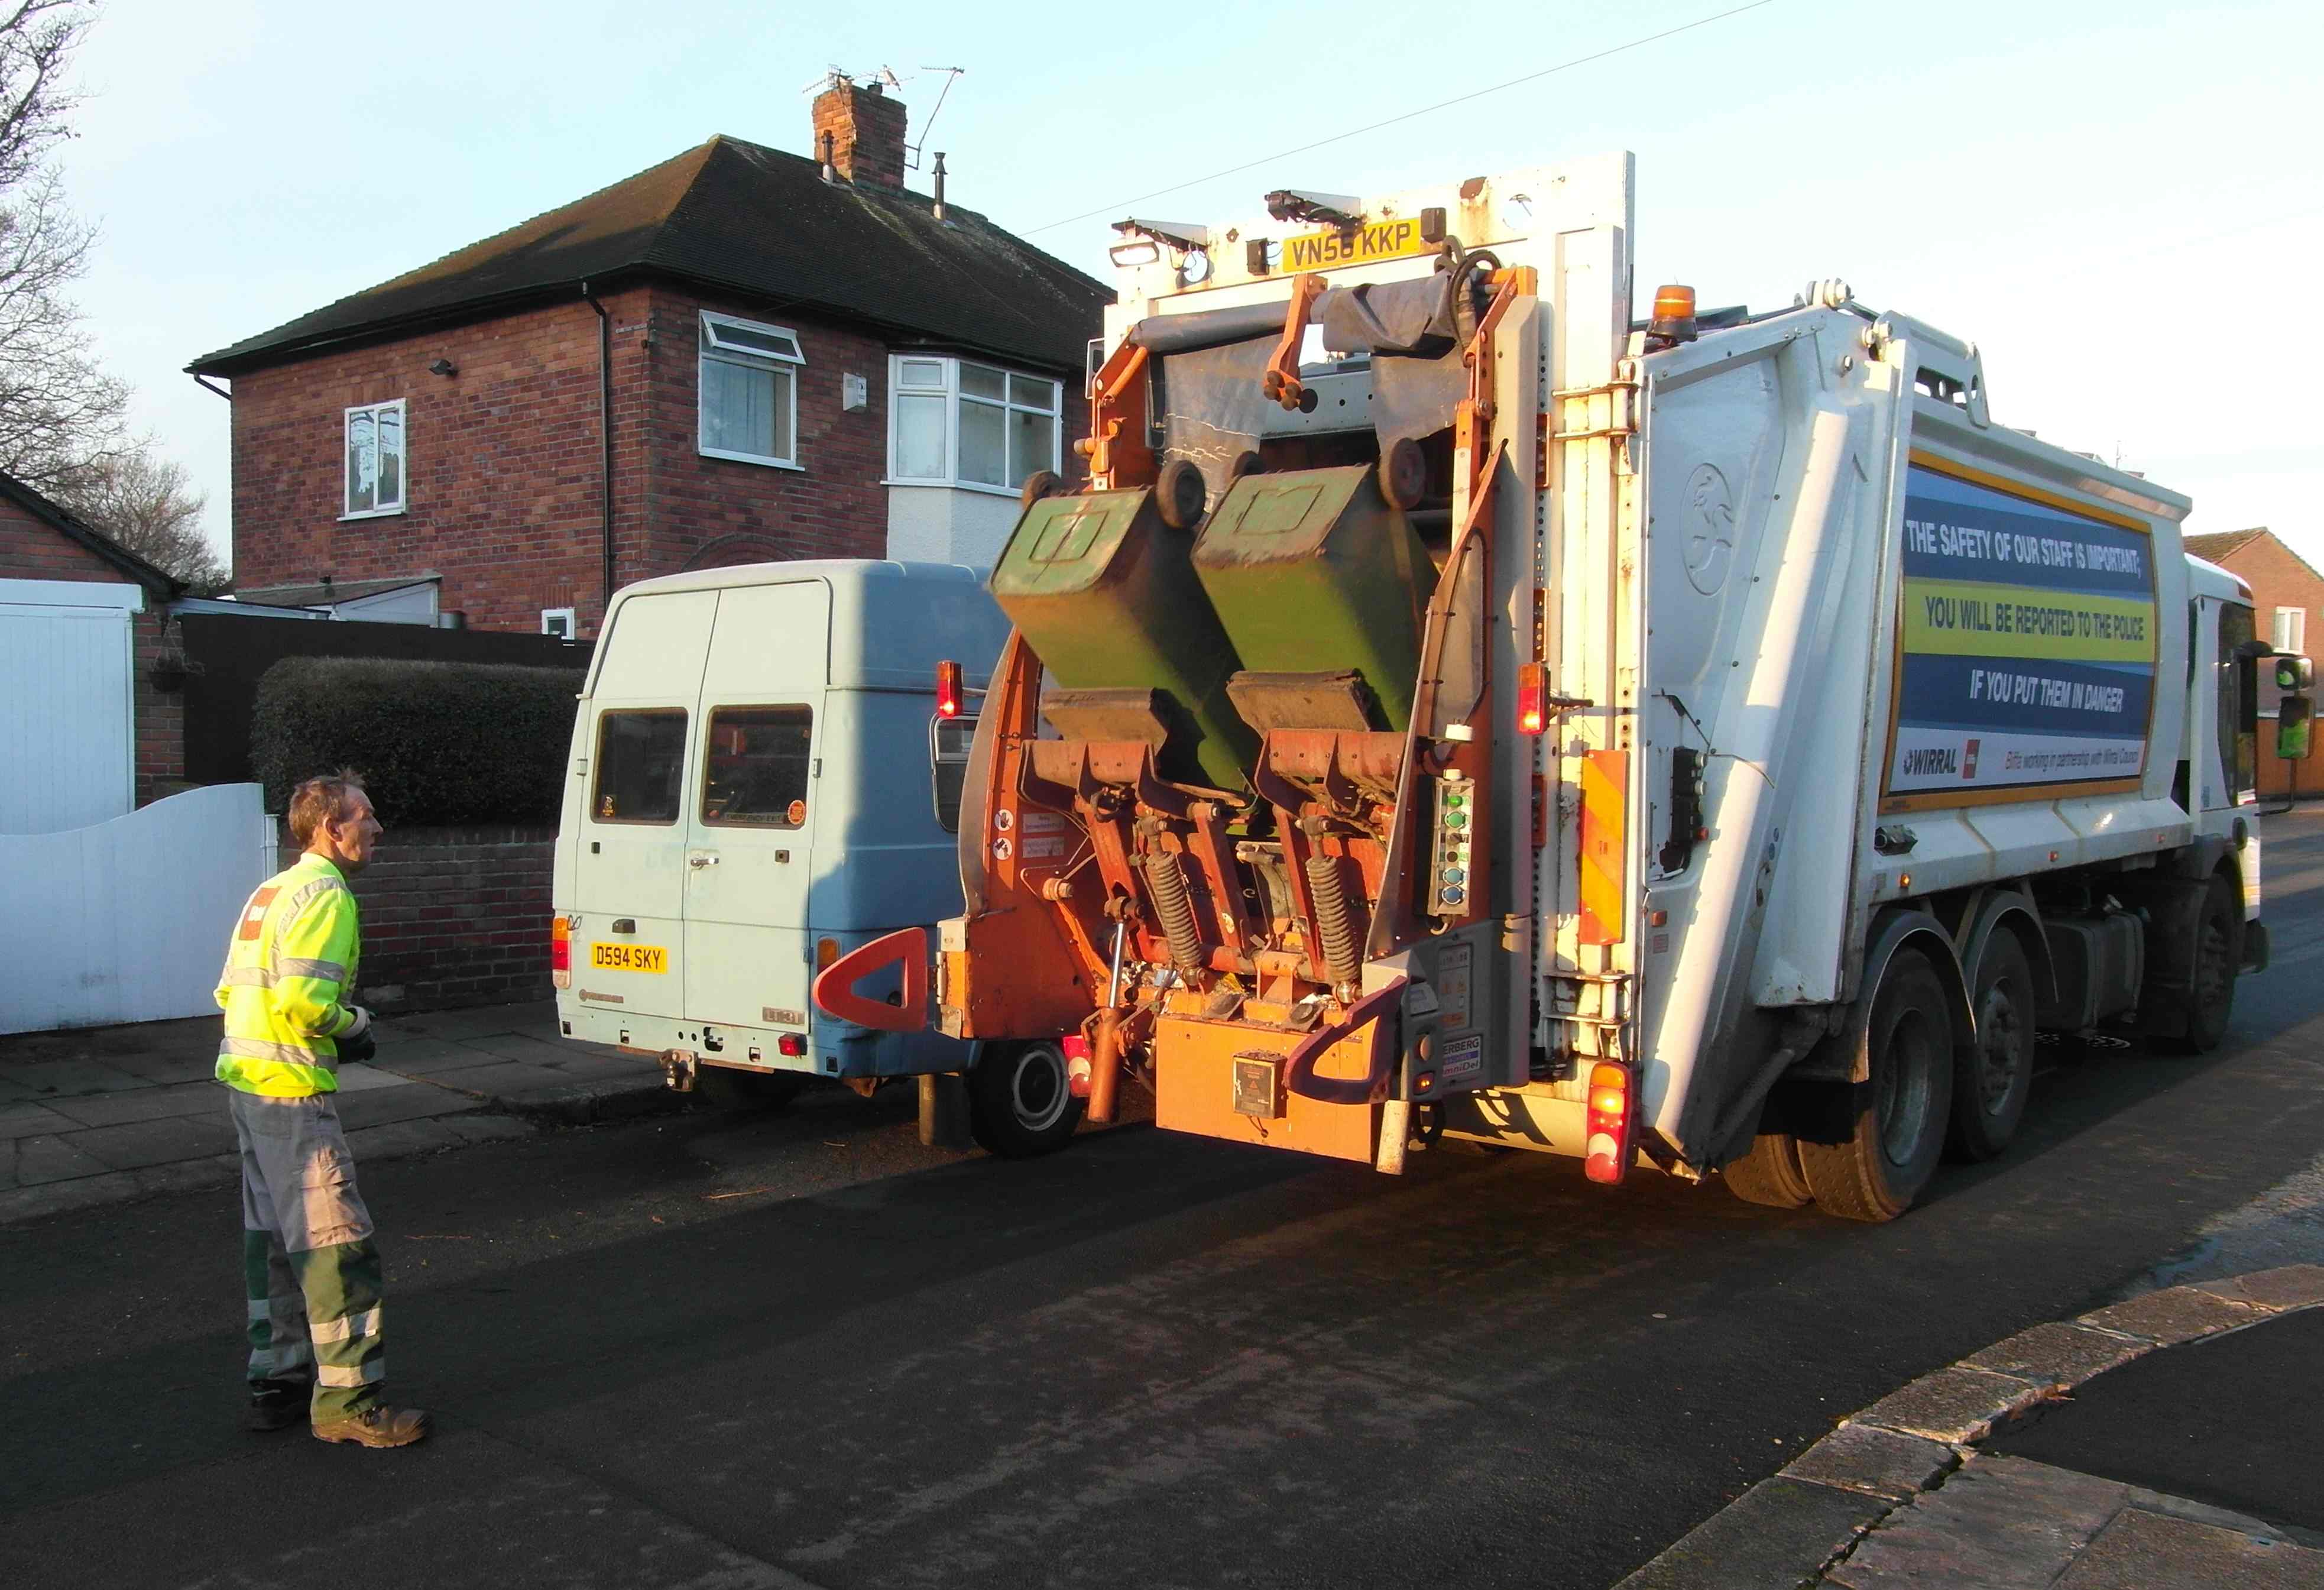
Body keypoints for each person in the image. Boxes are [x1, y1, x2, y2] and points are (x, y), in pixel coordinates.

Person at [215, 770, 430, 1449]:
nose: (377, 827)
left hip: (249, 1085)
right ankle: (348, 1406)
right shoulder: (327, 895)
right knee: (338, 1247)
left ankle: (275, 1380)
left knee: (274, 1242)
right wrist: (355, 1023)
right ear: (330, 829)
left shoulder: (273, 889)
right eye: (365, 816)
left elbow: (232, 990)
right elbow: (305, 1001)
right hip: (291, 1094)